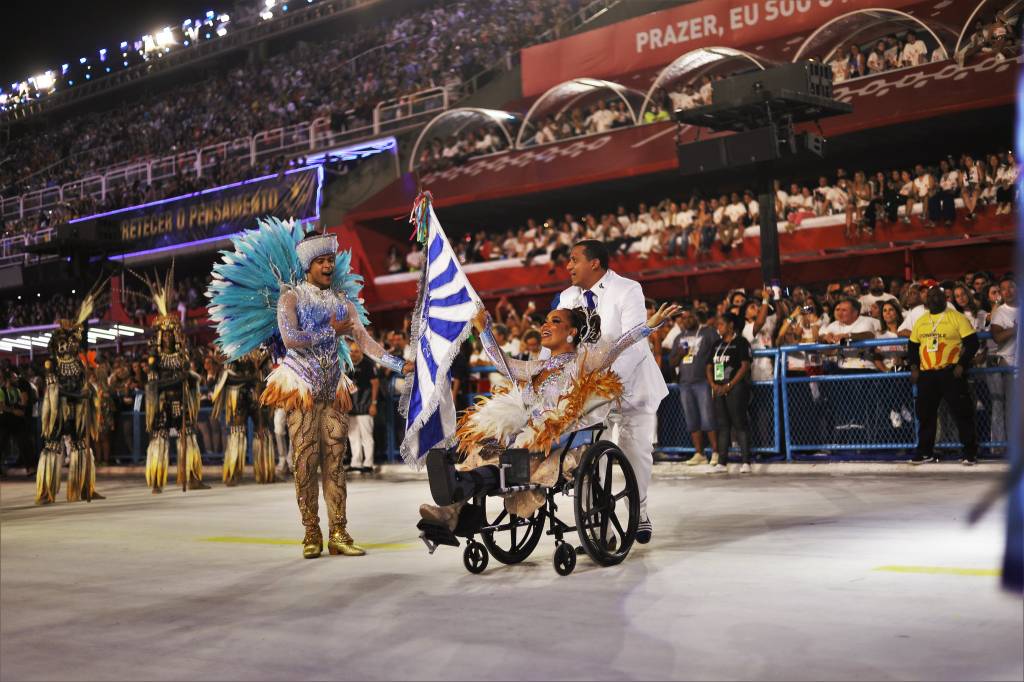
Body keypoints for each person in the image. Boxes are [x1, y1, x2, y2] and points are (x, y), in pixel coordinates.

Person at [208, 220, 412, 559]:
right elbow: (291, 339)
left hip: (333, 389)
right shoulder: (290, 298)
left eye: (330, 260)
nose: (328, 266)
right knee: (304, 462)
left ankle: (339, 532)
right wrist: (330, 332)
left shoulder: (343, 302)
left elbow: (365, 342)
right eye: (321, 261)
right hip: (301, 387)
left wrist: (398, 363)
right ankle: (311, 532)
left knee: (335, 463)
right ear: (308, 265)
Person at [419, 301, 679, 529]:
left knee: (513, 456)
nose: (545, 325)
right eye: (545, 320)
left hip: (560, 441)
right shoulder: (537, 367)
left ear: (572, 332)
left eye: (555, 321)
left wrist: (650, 325)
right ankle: (453, 505)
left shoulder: (583, 362)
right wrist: (484, 329)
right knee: (488, 448)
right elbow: (502, 363)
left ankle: (458, 490)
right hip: (526, 438)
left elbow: (618, 346)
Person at [555, 240, 669, 544]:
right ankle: (599, 530)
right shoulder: (567, 297)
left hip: (632, 387)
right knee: (589, 457)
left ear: (594, 263)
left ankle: (639, 512)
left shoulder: (627, 289)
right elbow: (559, 344)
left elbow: (635, 342)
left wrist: (608, 383)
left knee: (636, 453)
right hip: (589, 392)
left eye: (574, 259)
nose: (568, 266)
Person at [142, 270, 209, 494]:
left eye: (172, 333)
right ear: (160, 337)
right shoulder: (155, 359)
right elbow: (152, 386)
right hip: (163, 405)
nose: (169, 337)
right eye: (166, 334)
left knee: (188, 437)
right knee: (160, 440)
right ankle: (157, 481)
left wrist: (187, 378)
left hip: (181, 402)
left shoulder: (182, 357)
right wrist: (174, 381)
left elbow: (189, 378)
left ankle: (192, 476)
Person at [36, 290, 105, 504]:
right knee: (52, 447)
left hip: (78, 410)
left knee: (81, 447)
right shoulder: (52, 364)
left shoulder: (79, 364)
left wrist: (89, 392)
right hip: (59, 411)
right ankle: (46, 491)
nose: (73, 345)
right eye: (69, 341)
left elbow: (84, 385)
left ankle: (84, 488)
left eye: (75, 341)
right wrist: (78, 393)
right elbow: (53, 390)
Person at [908, 285, 980, 465]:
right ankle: (925, 452)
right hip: (927, 374)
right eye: (931, 296)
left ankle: (969, 452)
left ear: (945, 298)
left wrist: (961, 365)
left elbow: (972, 343)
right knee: (925, 415)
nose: (934, 299)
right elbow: (912, 346)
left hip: (950, 373)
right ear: (926, 300)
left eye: (938, 295)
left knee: (962, 413)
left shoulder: (957, 317)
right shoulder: (921, 321)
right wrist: (914, 367)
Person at [212, 348, 277, 485]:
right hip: (239, 397)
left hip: (258, 396)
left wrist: (262, 383)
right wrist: (250, 379)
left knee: (263, 432)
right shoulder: (234, 350)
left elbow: (269, 375)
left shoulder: (263, 350)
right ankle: (233, 473)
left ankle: (265, 472)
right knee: (237, 433)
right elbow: (227, 378)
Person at [668, 306, 720, 466]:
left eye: (690, 317)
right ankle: (699, 453)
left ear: (697, 318)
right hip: (685, 383)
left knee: (708, 417)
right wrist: (679, 354)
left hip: (703, 381)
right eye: (683, 318)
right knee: (692, 419)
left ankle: (716, 452)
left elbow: (720, 351)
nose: (687, 320)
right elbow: (672, 362)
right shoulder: (679, 337)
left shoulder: (708, 333)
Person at [705, 312, 753, 473]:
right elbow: (708, 366)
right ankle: (722, 462)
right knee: (723, 425)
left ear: (730, 325)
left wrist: (730, 384)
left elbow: (745, 365)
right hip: (719, 388)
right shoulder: (716, 344)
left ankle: (746, 461)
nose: (718, 327)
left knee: (739, 423)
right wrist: (713, 384)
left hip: (736, 388)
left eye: (721, 324)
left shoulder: (741, 342)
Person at [987, 277, 1017, 448]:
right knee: (1012, 406)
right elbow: (997, 337)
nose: (1008, 291)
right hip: (1009, 363)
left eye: (1011, 287)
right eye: (1003, 289)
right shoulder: (1000, 312)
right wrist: (1015, 329)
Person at [346, 341, 380, 475]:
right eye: (351, 351)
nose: (353, 354)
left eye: (356, 351)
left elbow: (375, 384)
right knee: (353, 436)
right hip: (351, 407)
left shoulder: (368, 364)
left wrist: (374, 403)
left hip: (365, 406)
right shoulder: (346, 365)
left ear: (361, 352)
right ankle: (356, 463)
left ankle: (368, 463)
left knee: (367, 436)